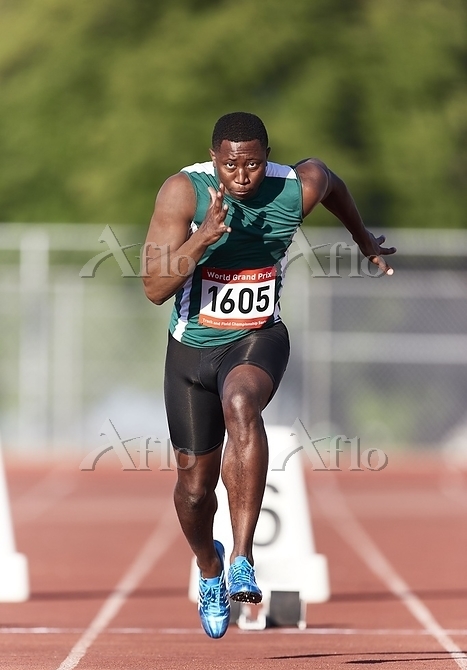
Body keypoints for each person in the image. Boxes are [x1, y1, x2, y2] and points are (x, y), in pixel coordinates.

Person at [142, 112, 396, 639]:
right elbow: (154, 287)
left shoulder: (297, 186)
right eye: (231, 165)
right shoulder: (183, 192)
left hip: (258, 337)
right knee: (194, 490)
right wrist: (202, 238)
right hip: (191, 351)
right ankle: (210, 567)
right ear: (214, 159)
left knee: (241, 402)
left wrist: (364, 240)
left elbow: (332, 184)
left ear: (267, 158)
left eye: (253, 165)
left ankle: (241, 557)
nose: (242, 176)